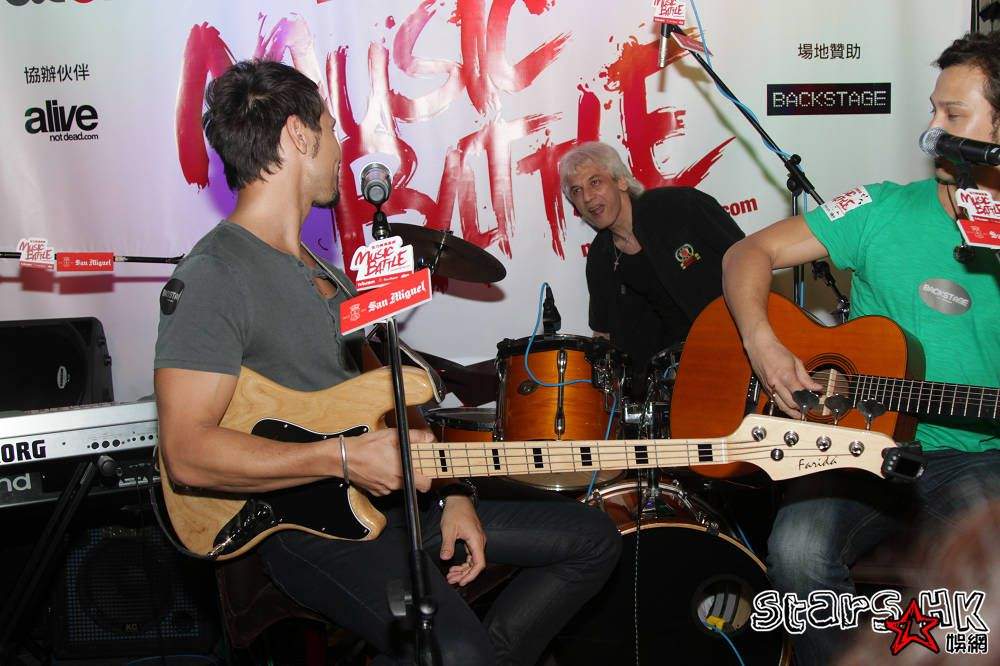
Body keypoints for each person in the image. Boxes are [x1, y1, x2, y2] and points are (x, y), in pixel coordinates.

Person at [154, 59, 620, 665]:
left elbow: (388, 399)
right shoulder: (216, 273)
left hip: (391, 503)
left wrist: (452, 494)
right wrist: (343, 457)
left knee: (593, 538)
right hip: (308, 525)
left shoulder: (328, 275)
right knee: (459, 654)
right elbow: (187, 453)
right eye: (331, 128)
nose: (341, 146)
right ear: (299, 135)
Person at [721, 32, 1000, 665]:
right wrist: (763, 343)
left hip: (975, 456)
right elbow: (748, 252)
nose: (931, 130)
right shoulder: (878, 207)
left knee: (988, 576)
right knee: (796, 557)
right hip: (859, 442)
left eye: (954, 115)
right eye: (933, 110)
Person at [558, 141, 744, 397]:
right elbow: (603, 335)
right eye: (577, 191)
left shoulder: (681, 206)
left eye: (595, 182)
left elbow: (747, 259)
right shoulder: (600, 256)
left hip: (734, 348)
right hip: (667, 387)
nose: (587, 197)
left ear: (621, 181)